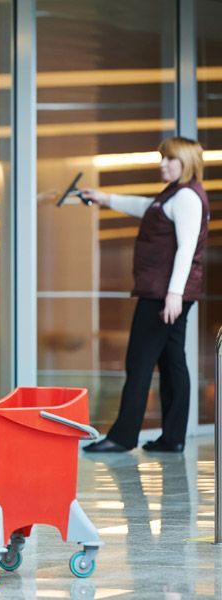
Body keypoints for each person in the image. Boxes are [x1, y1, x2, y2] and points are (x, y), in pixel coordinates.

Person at [82, 136, 209, 453]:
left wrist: (174, 294)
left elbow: (186, 250)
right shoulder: (174, 196)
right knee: (171, 362)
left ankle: (122, 437)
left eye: (170, 159)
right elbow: (144, 207)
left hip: (163, 295)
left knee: (139, 362)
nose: (162, 164)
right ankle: (173, 437)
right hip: (165, 293)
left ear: (186, 163)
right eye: (162, 158)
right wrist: (104, 198)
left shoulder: (187, 199)